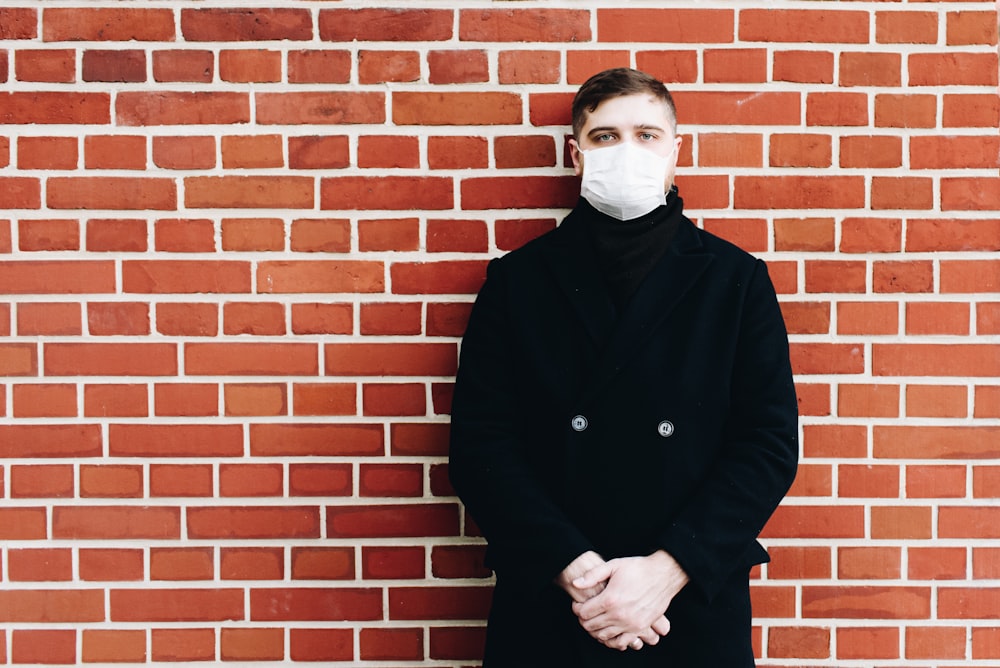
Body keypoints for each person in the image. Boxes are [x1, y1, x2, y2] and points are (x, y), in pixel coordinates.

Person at [448, 67, 799, 667]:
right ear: (576, 154)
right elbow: (482, 444)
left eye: (646, 134)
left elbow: (766, 444)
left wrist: (667, 571)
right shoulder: (518, 282)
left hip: (686, 603)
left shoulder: (734, 281)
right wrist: (573, 568)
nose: (626, 150)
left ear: (675, 151)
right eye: (605, 136)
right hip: (556, 599)